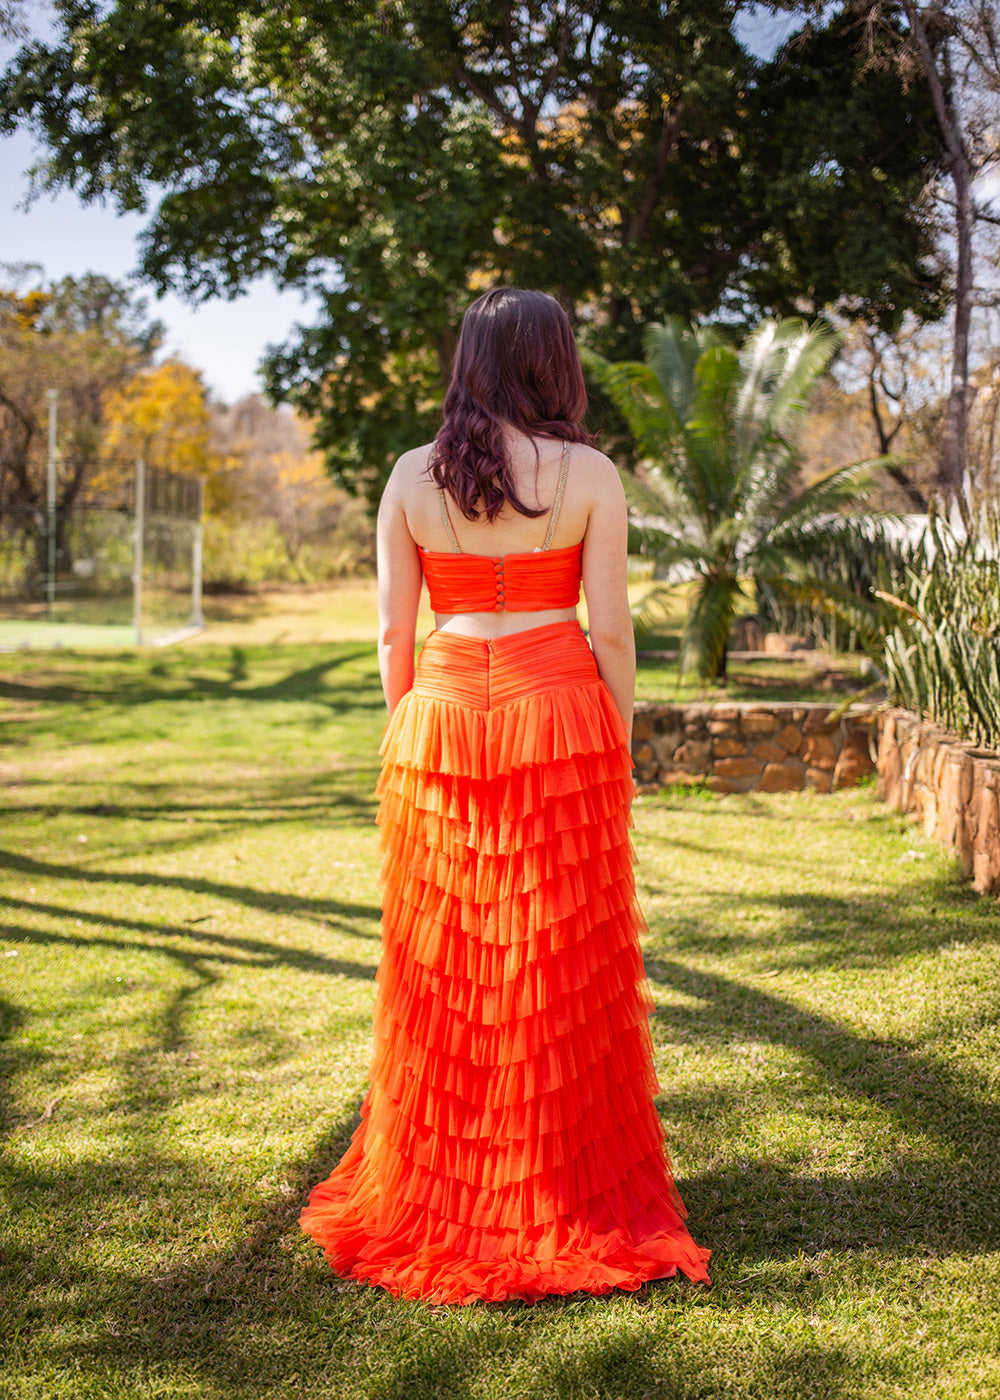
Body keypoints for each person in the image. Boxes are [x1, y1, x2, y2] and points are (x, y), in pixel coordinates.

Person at [298, 287, 711, 1303]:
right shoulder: (588, 473)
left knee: (449, 959)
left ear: (470, 360)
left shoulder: (408, 473)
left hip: (437, 717)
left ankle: (445, 1183)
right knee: (555, 954)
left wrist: (410, 732)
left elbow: (393, 634)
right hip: (559, 713)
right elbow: (611, 630)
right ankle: (556, 1181)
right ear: (551, 362)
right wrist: (613, 738)